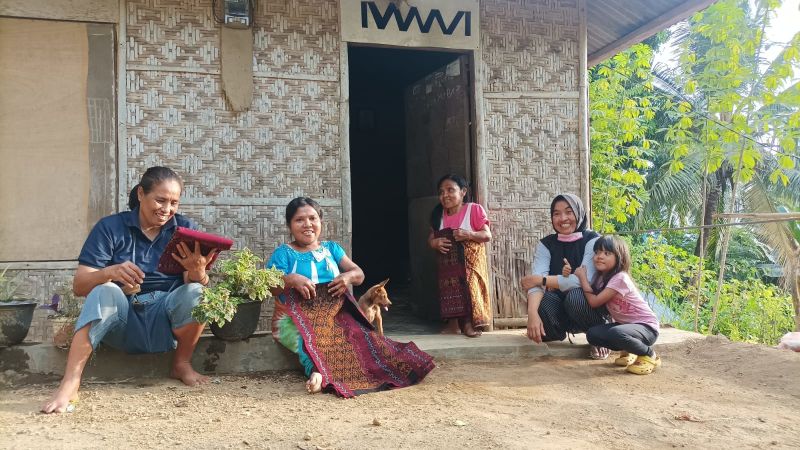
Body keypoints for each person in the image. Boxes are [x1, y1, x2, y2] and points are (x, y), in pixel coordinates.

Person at [41, 167, 216, 414]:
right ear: (141, 194)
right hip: (122, 321)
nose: (167, 209)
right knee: (105, 290)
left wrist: (198, 270)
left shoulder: (185, 230)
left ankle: (182, 364)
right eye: (160, 199)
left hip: (164, 321)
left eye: (174, 202)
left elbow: (192, 283)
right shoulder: (110, 228)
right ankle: (70, 382)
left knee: (197, 291)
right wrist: (109, 273)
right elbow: (80, 285)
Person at [267, 197, 434, 397]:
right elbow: (271, 287)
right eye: (299, 220)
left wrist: (347, 277)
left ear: (320, 221)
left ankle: (375, 370)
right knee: (309, 340)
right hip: (294, 320)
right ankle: (316, 372)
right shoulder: (283, 254)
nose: (307, 224)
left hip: (334, 315)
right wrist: (291, 279)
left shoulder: (331, 249)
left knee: (364, 338)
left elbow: (359, 274)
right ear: (289, 225)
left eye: (313, 218)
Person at [520, 193, 611, 359]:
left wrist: (542, 280)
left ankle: (599, 334)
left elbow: (583, 280)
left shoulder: (593, 240)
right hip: (561, 306)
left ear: (578, 213)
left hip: (588, 305)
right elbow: (535, 284)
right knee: (544, 301)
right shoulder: (546, 244)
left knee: (575, 296)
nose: (563, 218)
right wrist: (532, 314)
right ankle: (555, 332)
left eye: (569, 212)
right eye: (556, 213)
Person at [575, 235, 661, 374]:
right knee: (593, 335)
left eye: (606, 253)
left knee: (617, 333)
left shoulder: (620, 278)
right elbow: (593, 295)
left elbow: (594, 301)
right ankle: (630, 350)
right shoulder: (601, 278)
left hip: (647, 328)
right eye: (597, 252)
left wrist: (582, 278)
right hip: (626, 326)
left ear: (619, 257)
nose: (599, 256)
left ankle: (649, 355)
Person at [427, 174, 492, 338]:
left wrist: (469, 234)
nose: (445, 195)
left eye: (450, 190)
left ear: (463, 192)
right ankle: (453, 325)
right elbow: (431, 237)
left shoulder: (473, 209)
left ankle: (469, 325)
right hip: (448, 266)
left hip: (470, 263)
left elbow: (487, 235)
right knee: (449, 289)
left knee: (468, 287)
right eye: (441, 192)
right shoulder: (438, 214)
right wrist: (434, 243)